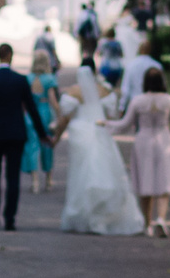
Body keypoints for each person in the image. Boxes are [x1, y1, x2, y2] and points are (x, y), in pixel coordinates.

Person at [0, 44, 55, 230]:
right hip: (15, 134)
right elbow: (32, 110)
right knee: (12, 177)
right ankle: (10, 218)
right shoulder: (20, 80)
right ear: (10, 56)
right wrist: (42, 134)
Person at [54, 64, 141, 234]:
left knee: (81, 174)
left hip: (81, 135)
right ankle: (101, 214)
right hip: (100, 131)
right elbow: (110, 115)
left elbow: (65, 117)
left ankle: (84, 215)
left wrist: (56, 137)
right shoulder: (105, 91)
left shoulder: (73, 93)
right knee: (104, 170)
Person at [105, 67, 170, 236]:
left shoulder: (138, 101)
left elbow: (124, 124)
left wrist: (107, 124)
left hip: (143, 141)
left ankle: (147, 224)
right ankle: (161, 218)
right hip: (164, 140)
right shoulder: (169, 101)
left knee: (145, 183)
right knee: (163, 183)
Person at [23, 50, 64, 193]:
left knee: (32, 146)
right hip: (45, 112)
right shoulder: (50, 79)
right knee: (47, 146)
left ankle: (35, 181)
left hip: (30, 114)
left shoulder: (28, 78)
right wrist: (59, 116)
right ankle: (48, 180)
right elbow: (53, 100)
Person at [114, 43, 162, 118]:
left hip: (135, 103)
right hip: (153, 104)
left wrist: (122, 107)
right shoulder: (157, 66)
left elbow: (126, 89)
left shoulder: (131, 65)